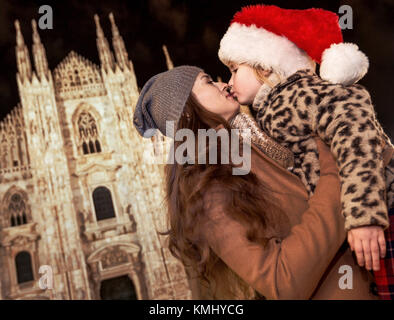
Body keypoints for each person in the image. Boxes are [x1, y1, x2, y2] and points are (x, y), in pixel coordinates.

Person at [133, 65, 378, 299]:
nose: (224, 84)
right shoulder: (207, 191)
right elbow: (282, 283)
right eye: (207, 81)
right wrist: (336, 166)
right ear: (186, 110)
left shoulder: (252, 142)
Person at [218, 4, 394, 299]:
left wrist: (364, 216)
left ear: (265, 66)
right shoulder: (270, 109)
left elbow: (355, 128)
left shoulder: (299, 92)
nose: (230, 81)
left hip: (383, 214)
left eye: (235, 70)